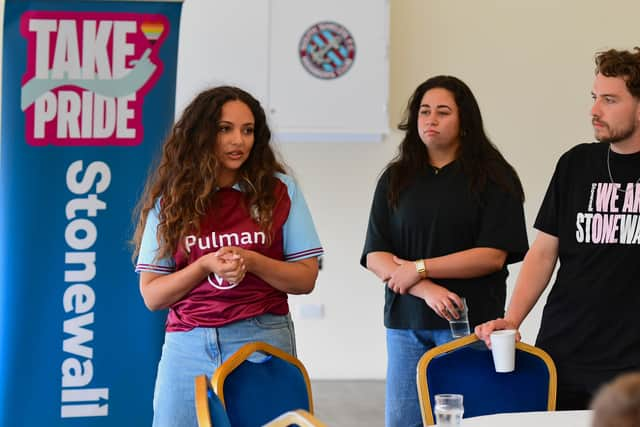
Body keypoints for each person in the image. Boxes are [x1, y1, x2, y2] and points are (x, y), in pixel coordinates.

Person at [132, 86, 324, 427]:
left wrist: (253, 261)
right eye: (225, 129)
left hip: (262, 339)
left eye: (247, 130)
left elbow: (306, 278)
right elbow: (152, 295)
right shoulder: (171, 200)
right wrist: (203, 266)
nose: (239, 140)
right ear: (202, 134)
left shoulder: (280, 190)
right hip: (187, 345)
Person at [475, 47, 640, 410]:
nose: (594, 110)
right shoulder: (576, 164)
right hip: (564, 353)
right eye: (595, 97)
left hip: (632, 368)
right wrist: (513, 319)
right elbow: (544, 252)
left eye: (610, 100)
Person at [360, 75, 528, 427]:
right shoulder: (395, 178)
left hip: (471, 326)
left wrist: (420, 268)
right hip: (406, 325)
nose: (430, 120)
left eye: (442, 112)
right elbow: (377, 256)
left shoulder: (495, 178)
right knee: (403, 421)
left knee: (468, 420)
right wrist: (423, 286)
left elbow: (491, 255)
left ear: (464, 121)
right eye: (424, 111)